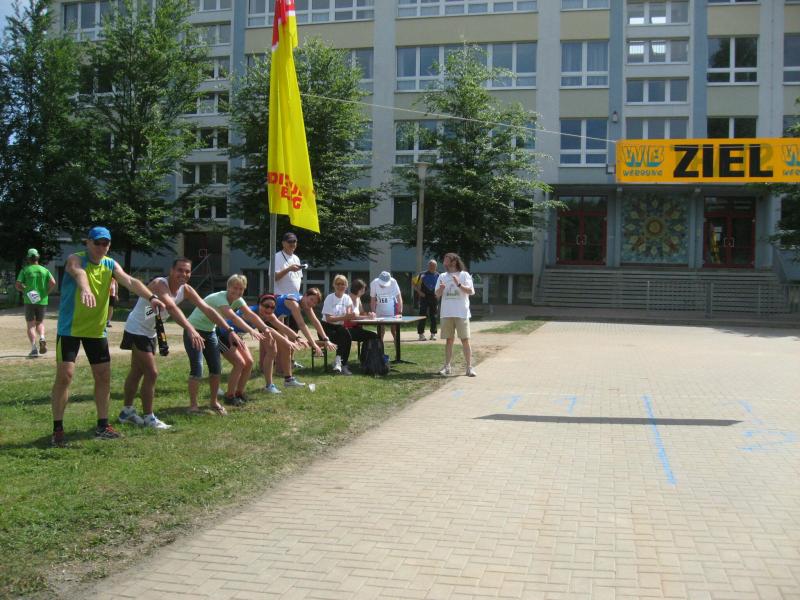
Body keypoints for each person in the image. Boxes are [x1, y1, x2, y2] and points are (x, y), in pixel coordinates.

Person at [50, 226, 166, 447]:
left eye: (106, 243)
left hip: (96, 331)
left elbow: (130, 281)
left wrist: (152, 297)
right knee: (65, 376)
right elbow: (78, 272)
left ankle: (103, 426)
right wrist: (85, 289)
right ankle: (58, 429)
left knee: (103, 377)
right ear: (88, 242)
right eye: (97, 242)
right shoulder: (76, 258)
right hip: (70, 329)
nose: (101, 247)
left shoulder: (110, 264)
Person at [118, 257, 243, 429]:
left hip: (150, 332)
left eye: (187, 271)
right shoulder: (159, 284)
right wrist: (191, 329)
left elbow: (207, 309)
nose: (183, 274)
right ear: (171, 271)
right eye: (180, 270)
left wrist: (229, 330)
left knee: (137, 371)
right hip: (137, 329)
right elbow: (171, 307)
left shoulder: (186, 289)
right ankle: (149, 417)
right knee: (151, 373)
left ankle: (127, 412)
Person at [184, 274, 265, 413]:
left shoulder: (238, 300)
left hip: (210, 332)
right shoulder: (219, 298)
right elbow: (232, 317)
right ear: (228, 287)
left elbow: (250, 314)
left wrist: (265, 328)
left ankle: (214, 402)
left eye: (241, 289)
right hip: (194, 330)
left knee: (216, 369)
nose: (237, 291)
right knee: (197, 369)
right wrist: (251, 330)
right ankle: (193, 406)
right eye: (235, 287)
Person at [244, 294, 308, 392]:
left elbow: (282, 327)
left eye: (272, 307)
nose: (269, 309)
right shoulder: (252, 313)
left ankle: (279, 382)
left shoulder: (269, 315)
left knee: (271, 352)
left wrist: (297, 338)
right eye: (266, 306)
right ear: (259, 304)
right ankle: (235, 392)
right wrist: (287, 341)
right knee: (243, 362)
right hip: (226, 333)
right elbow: (269, 329)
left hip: (234, 335)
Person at [435, 252, 476, 377]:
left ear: (454, 261)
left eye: (446, 259)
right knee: (449, 340)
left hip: (461, 313)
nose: (444, 261)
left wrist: (459, 284)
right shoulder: (442, 276)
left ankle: (469, 368)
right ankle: (447, 367)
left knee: (465, 340)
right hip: (447, 313)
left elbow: (471, 291)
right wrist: (441, 289)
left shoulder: (464, 275)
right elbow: (437, 294)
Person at [15, 248, 56, 358]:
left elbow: (17, 285)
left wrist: (25, 290)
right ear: (38, 258)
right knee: (40, 322)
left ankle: (34, 348)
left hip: (29, 300)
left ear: (28, 258)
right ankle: (42, 337)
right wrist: (46, 292)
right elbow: (53, 282)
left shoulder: (25, 270)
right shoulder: (44, 270)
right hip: (42, 300)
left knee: (30, 324)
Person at [275, 288, 336, 359]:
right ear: (305, 295)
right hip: (267, 316)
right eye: (311, 299)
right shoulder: (294, 304)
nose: (312, 303)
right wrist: (314, 344)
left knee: (286, 347)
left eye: (315, 303)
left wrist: (326, 339)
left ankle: (282, 365)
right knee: (273, 348)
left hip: (277, 318)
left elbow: (315, 321)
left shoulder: (305, 303)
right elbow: (302, 325)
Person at [321, 274, 356, 375]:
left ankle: (340, 363)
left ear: (346, 286)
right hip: (326, 327)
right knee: (344, 337)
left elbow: (349, 315)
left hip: (339, 327)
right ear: (334, 285)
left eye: (343, 284)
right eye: (338, 284)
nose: (340, 286)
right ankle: (340, 363)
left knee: (347, 336)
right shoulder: (329, 298)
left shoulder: (347, 298)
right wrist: (345, 317)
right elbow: (329, 319)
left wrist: (357, 315)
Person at [370, 271, 403, 342]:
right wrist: (373, 312)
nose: (383, 286)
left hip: (392, 309)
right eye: (382, 284)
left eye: (385, 284)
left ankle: (397, 348)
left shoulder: (393, 282)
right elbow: (373, 300)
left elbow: (399, 297)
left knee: (394, 331)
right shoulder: (374, 283)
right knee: (381, 333)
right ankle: (380, 348)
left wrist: (399, 312)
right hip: (380, 309)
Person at [346, 278, 378, 348]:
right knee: (373, 336)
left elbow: (362, 313)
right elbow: (351, 317)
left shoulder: (358, 298)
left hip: (357, 327)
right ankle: (368, 354)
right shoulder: (347, 299)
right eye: (362, 290)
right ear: (357, 289)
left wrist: (368, 314)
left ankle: (367, 354)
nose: (364, 292)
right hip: (347, 329)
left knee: (373, 336)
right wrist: (367, 317)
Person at [414, 259, 440, 341]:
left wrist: (438, 295)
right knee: (422, 316)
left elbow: (442, 286)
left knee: (434, 316)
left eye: (434, 265)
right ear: (428, 266)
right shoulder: (422, 274)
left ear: (436, 266)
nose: (432, 267)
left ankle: (433, 334)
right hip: (424, 298)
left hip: (434, 298)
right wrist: (419, 292)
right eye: (431, 265)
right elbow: (413, 283)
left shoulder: (438, 275)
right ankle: (421, 334)